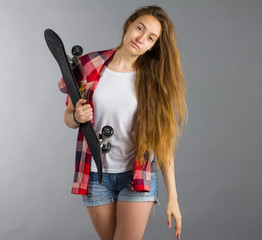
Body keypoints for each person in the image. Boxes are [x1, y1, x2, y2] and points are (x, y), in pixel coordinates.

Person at [58, 5, 187, 240]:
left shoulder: (153, 80)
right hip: (96, 175)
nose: (141, 38)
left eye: (150, 38)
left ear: (153, 46)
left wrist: (174, 198)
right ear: (129, 24)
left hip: (136, 176)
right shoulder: (89, 64)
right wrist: (76, 117)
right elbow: (69, 116)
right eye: (140, 28)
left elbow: (163, 143)